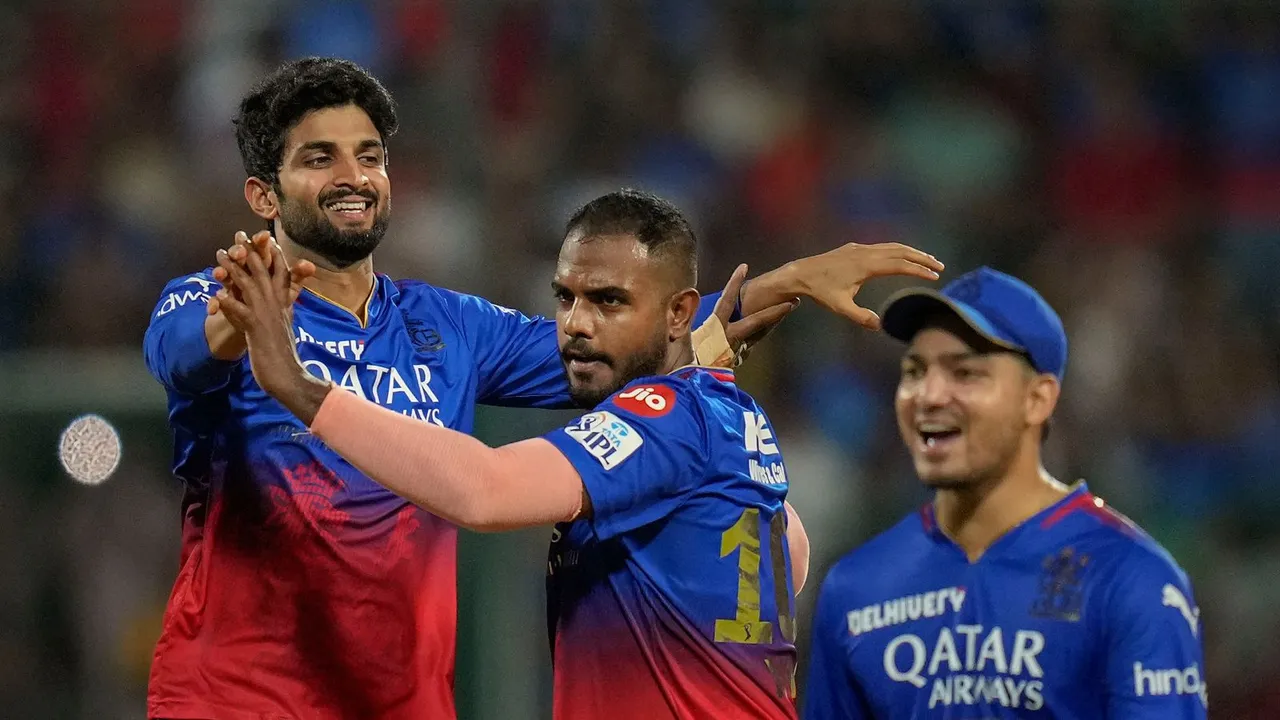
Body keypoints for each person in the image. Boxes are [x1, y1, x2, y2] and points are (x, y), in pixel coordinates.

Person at [142, 56, 944, 719]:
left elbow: (631, 345)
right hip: (236, 700)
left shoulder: (449, 326)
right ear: (262, 194)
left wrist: (785, 284)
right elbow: (183, 355)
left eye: (371, 154)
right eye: (320, 158)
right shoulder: (208, 304)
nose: (355, 175)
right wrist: (242, 326)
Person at [211, 189, 822, 719]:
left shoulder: (664, 416)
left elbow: (486, 491)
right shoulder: (730, 421)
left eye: (608, 301)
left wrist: (298, 386)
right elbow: (788, 551)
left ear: (680, 314)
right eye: (565, 298)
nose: (576, 324)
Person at [802, 267, 1208, 719]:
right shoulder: (856, 586)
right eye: (914, 371)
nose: (930, 395)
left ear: (1038, 400)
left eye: (966, 373)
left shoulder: (1130, 580)